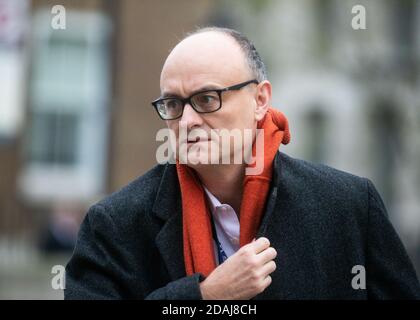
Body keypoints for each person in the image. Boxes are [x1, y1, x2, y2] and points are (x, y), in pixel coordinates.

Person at [65, 27, 420, 299]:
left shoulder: (348, 205)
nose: (186, 121)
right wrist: (202, 297)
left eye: (206, 99)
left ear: (260, 99)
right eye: (173, 104)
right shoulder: (113, 225)